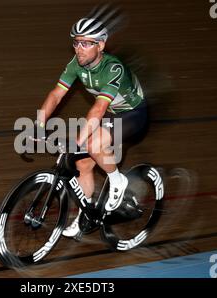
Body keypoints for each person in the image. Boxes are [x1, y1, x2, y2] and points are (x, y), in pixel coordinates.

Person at [34, 17, 148, 237]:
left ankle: (117, 180)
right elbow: (56, 95)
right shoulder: (75, 64)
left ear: (101, 45)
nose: (79, 49)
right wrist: (38, 125)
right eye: (76, 43)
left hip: (134, 114)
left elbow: (98, 109)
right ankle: (85, 215)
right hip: (113, 116)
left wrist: (77, 143)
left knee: (93, 145)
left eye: (86, 43)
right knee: (82, 164)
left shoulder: (113, 68)